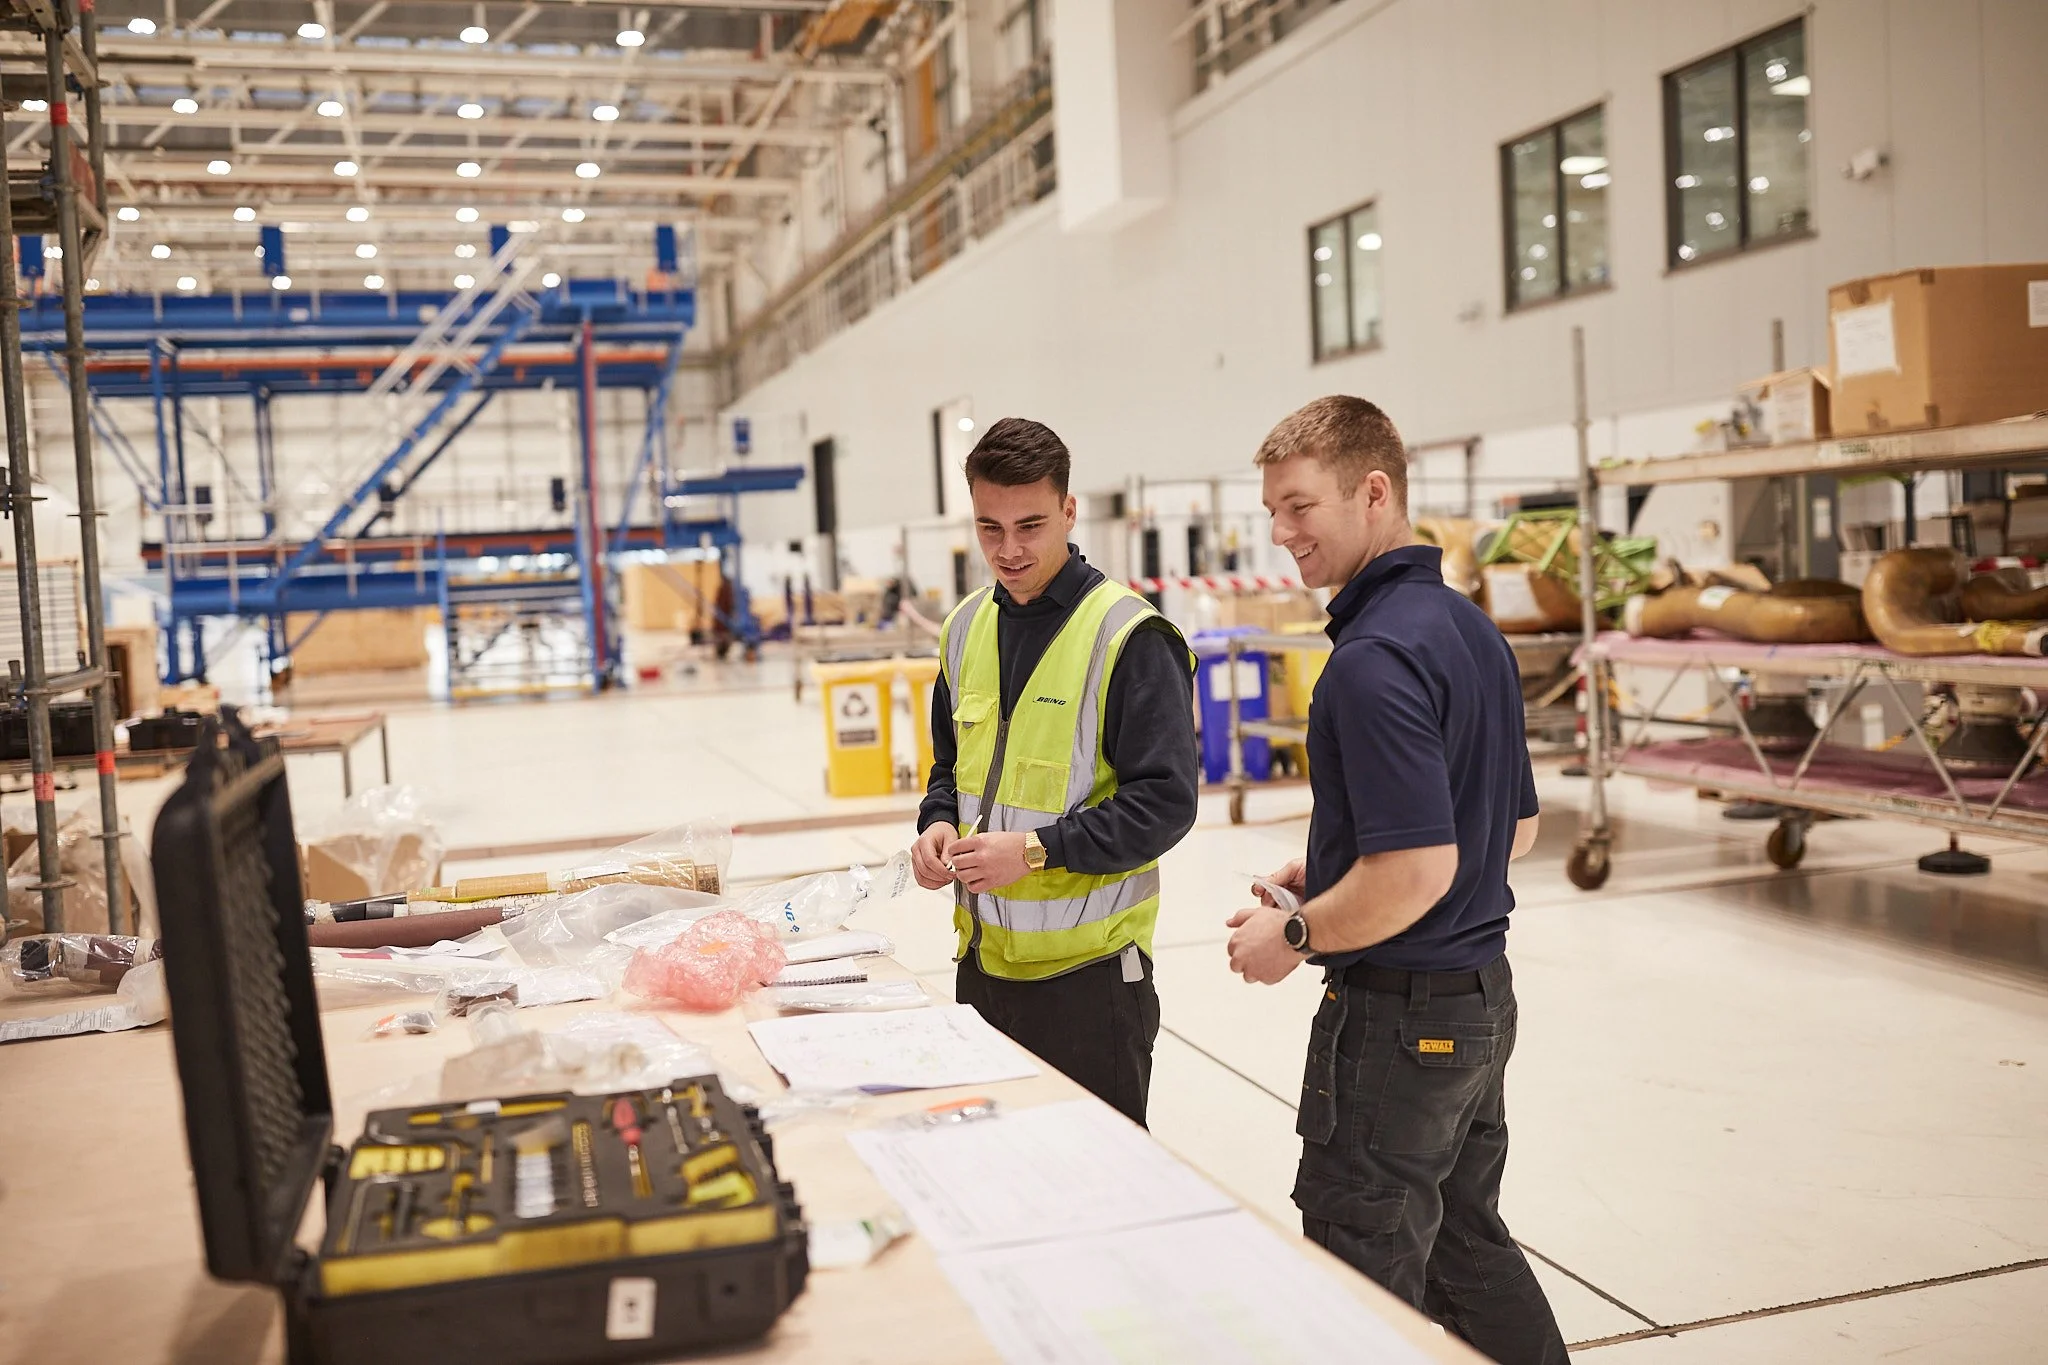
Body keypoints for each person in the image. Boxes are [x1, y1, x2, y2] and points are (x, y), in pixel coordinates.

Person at [1223, 397, 1567, 1364]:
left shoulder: (1370, 659)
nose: (1283, 533)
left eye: (1300, 506)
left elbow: (1420, 865)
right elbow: (1514, 829)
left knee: (1356, 1277)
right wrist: (1334, 866)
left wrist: (1294, 936)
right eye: (1273, 511)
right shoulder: (1468, 631)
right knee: (1464, 1247)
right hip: (1477, 1009)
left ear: (1374, 492)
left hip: (1398, 1025)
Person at [911, 417, 1198, 1127]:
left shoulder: (1127, 635)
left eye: (1030, 525)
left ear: (1070, 512)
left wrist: (1036, 850)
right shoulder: (964, 627)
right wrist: (936, 821)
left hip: (1091, 984)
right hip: (982, 969)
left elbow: (1166, 803)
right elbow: (949, 764)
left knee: (1100, 1194)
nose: (1008, 550)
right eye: (989, 528)